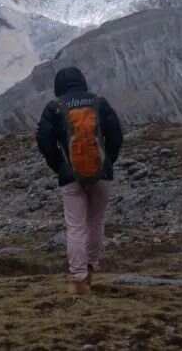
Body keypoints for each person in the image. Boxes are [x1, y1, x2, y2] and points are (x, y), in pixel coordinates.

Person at [36, 66, 123, 295]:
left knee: (75, 227)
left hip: (70, 177)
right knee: (96, 222)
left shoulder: (54, 108)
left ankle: (79, 279)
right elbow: (116, 135)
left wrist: (60, 167)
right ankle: (92, 267)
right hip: (102, 173)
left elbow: (43, 141)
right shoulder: (99, 103)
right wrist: (108, 162)